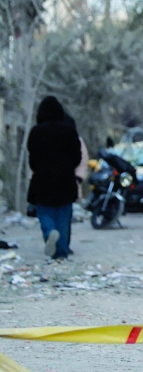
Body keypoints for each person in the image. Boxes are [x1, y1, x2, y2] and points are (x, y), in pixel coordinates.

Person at [27, 96, 82, 261]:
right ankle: (61, 253)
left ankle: (50, 232)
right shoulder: (69, 131)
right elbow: (76, 158)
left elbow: (33, 160)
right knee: (63, 216)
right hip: (65, 181)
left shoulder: (36, 132)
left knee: (44, 213)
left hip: (43, 181)